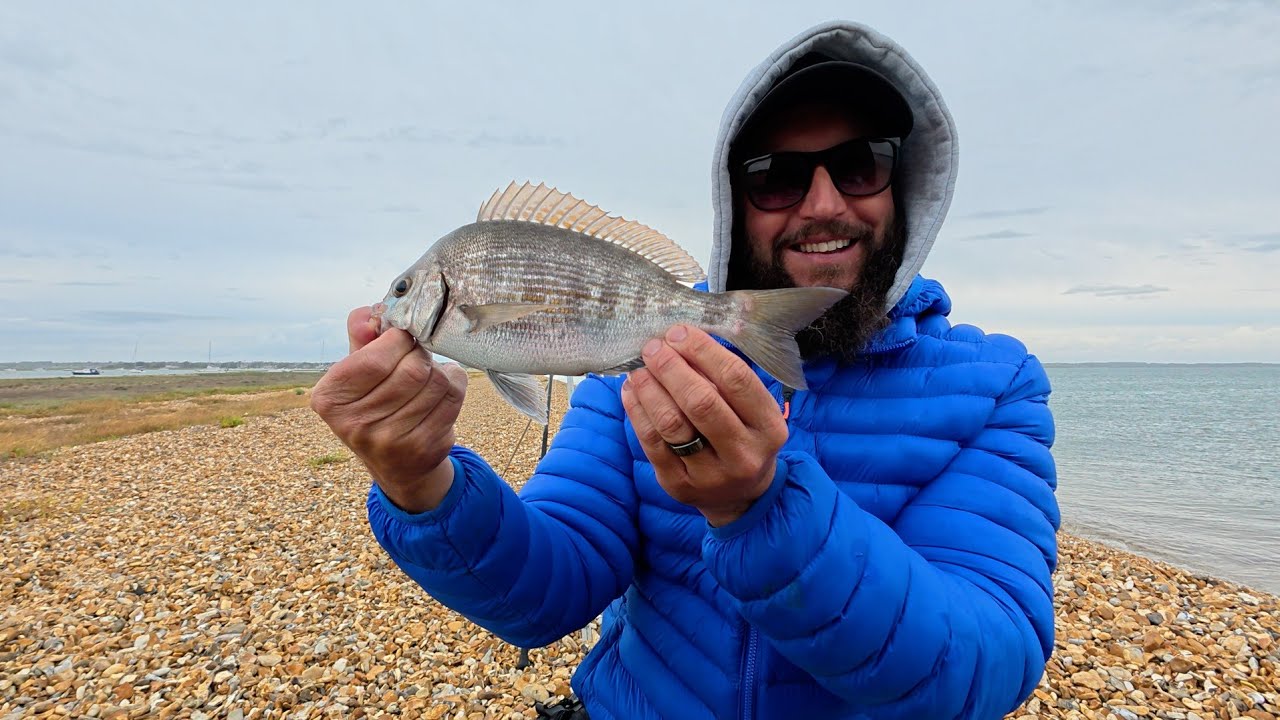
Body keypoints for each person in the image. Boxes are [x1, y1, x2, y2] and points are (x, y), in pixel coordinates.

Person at [311, 19, 1060, 720]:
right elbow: (545, 594)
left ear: (905, 188)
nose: (824, 203)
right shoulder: (629, 375)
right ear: (734, 203)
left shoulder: (999, 386)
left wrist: (763, 512)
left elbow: (986, 665)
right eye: (776, 177)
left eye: (861, 166)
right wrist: (422, 486)